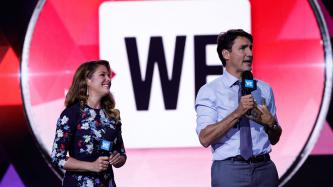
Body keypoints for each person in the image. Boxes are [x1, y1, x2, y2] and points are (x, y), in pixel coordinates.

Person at [195, 29, 282, 187]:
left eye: (251, 48)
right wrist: (237, 113)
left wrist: (272, 123)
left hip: (265, 170)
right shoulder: (210, 91)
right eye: (242, 48)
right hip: (230, 171)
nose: (249, 53)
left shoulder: (264, 89)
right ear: (226, 54)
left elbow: (275, 139)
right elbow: (204, 138)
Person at [51, 60, 126, 187]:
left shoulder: (112, 117)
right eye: (102, 75)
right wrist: (91, 166)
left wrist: (118, 158)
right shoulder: (71, 114)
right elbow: (57, 157)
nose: (108, 79)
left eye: (108, 75)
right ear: (88, 80)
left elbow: (121, 154)